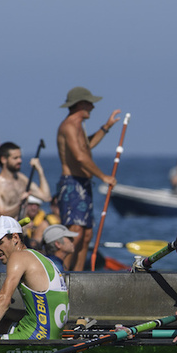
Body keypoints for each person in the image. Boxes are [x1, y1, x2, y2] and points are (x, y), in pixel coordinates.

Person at [0, 216, 69, 346]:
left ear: (15, 238)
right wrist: (7, 313)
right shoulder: (40, 257)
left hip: (36, 336)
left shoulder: (18, 257)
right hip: (49, 332)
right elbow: (44, 311)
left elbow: (3, 299)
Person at [55, 86, 122, 271]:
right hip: (71, 184)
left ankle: (78, 277)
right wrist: (103, 177)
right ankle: (63, 275)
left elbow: (86, 146)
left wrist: (106, 127)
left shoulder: (79, 126)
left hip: (83, 184)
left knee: (86, 235)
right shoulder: (69, 125)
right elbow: (80, 157)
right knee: (74, 233)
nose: (93, 107)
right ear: (81, 104)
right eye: (90, 103)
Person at [0, 141, 51, 218]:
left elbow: (46, 197)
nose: (20, 161)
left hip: (22, 229)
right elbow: (0, 214)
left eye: (20, 157)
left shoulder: (22, 179)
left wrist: (40, 171)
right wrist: (20, 204)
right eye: (15, 158)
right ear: (3, 159)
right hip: (8, 229)